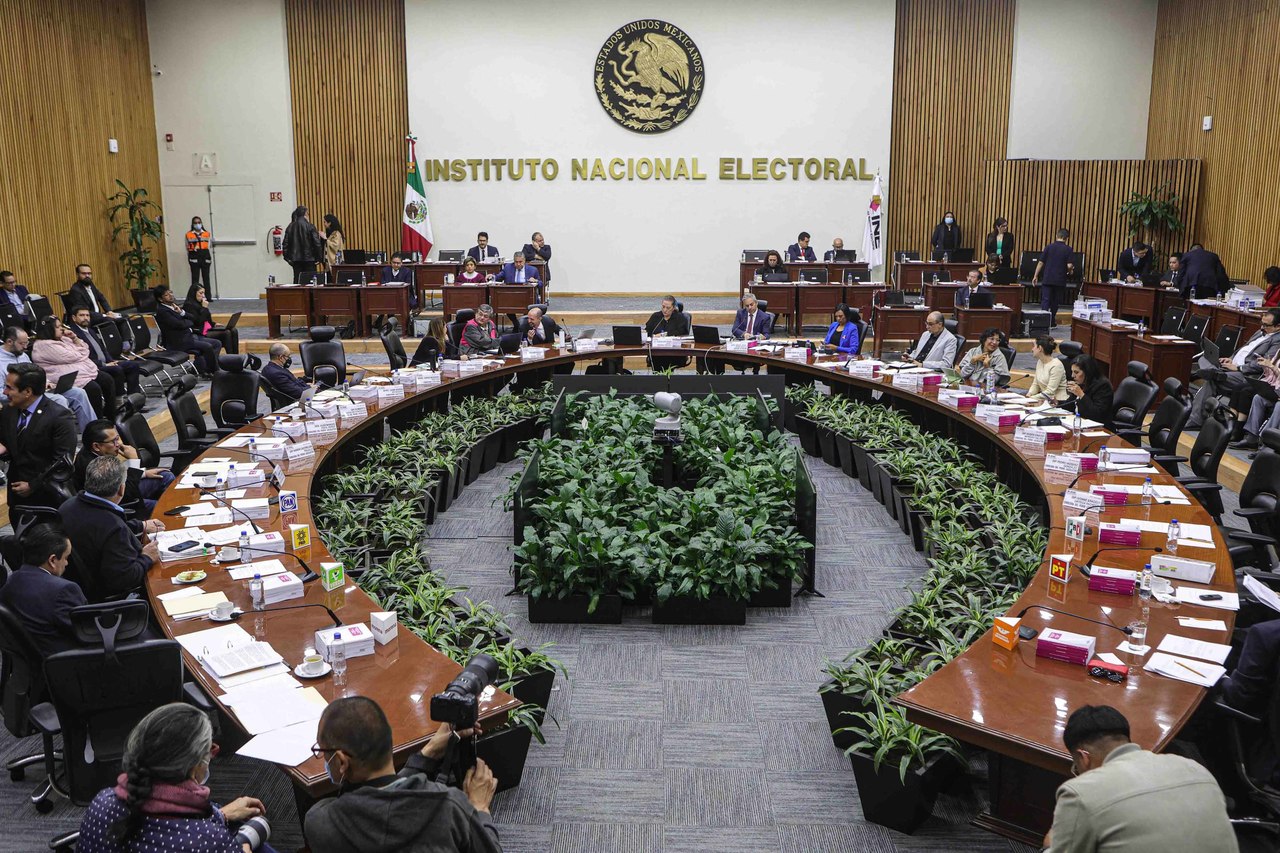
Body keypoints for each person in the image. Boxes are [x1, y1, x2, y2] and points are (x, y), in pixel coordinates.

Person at [304, 696, 500, 853]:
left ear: (341, 761)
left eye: (322, 752)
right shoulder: (449, 807)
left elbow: (382, 799)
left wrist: (428, 753)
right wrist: (479, 807)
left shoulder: (321, 822)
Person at [78, 702, 276, 853]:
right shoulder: (209, 841)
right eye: (210, 750)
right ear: (195, 765)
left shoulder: (102, 803)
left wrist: (220, 816)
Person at [1044, 705, 1236, 852]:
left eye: (1076, 768)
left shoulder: (1082, 793)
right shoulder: (1196, 769)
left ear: (1083, 758)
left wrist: (1050, 846)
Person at [60, 455, 160, 602]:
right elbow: (125, 579)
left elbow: (96, 530)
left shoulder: (67, 506)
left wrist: (141, 525)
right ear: (121, 489)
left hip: (77, 586)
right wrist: (147, 558)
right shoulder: (114, 527)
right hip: (106, 595)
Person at [1187, 308, 1280, 433]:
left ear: (1278, 326)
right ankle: (1214, 372)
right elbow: (1243, 349)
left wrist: (1238, 367)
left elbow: (1264, 363)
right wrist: (1230, 359)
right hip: (1231, 367)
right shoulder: (1260, 332)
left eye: (1266, 325)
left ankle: (1196, 419)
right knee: (1204, 358)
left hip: (1246, 374)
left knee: (1212, 381)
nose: (1262, 327)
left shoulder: (1277, 340)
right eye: (1261, 323)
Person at [0, 524, 86, 658]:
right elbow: (86, 631)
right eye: (65, 558)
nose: (67, 563)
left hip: (27, 662)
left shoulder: (9, 583)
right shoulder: (64, 590)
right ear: (52, 560)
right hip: (66, 661)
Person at [0, 363, 77, 510]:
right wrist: (4, 450)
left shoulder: (60, 417)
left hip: (48, 498)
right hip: (16, 496)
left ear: (27, 391)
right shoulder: (8, 412)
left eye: (10, 388)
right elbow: (12, 447)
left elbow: (62, 461)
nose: (5, 392)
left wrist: (33, 485)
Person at [74, 420, 174, 521]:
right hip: (118, 503)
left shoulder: (91, 451)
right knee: (164, 507)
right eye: (113, 441)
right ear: (96, 446)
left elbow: (118, 477)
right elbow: (126, 494)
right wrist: (133, 461)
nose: (118, 444)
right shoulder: (94, 466)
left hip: (124, 489)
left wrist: (143, 473)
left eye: (117, 438)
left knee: (165, 476)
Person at [0, 325, 95, 430]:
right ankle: (63, 436)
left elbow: (34, 374)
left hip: (37, 391)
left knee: (78, 393)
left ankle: (93, 433)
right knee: (59, 399)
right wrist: (23, 393)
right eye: (22, 343)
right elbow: (1, 393)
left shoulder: (22, 355)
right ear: (9, 342)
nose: (26, 347)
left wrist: (46, 382)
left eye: (27, 343)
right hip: (22, 397)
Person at [31, 315, 118, 417]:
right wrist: (81, 354)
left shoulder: (64, 339)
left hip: (84, 373)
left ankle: (111, 416)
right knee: (93, 389)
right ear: (49, 329)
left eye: (61, 326)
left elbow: (85, 348)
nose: (62, 329)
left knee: (107, 380)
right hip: (64, 379)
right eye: (58, 327)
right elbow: (73, 356)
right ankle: (98, 421)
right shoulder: (44, 345)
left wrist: (74, 338)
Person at [69, 305, 146, 395]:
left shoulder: (90, 330)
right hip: (93, 367)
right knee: (116, 370)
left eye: (87, 315)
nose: (85, 318)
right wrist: (104, 364)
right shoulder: (73, 335)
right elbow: (83, 358)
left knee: (133, 365)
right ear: (74, 318)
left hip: (107, 363)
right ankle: (119, 399)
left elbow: (103, 349)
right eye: (81, 315)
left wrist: (111, 360)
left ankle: (134, 396)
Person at [153, 284, 221, 376]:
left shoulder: (174, 307)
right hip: (179, 341)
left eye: (171, 292)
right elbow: (180, 324)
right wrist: (188, 322)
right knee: (207, 346)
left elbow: (192, 318)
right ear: (160, 299)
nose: (171, 295)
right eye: (166, 295)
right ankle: (215, 372)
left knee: (217, 343)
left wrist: (181, 312)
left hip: (188, 337)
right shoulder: (163, 311)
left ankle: (205, 369)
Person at [1032, 228, 1075, 321]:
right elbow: (1069, 265)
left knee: (1045, 300)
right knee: (1055, 301)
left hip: (1048, 278)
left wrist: (1035, 276)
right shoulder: (1068, 249)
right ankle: (1052, 321)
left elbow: (1040, 262)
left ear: (1056, 236)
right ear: (1067, 238)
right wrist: (1071, 270)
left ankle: (1043, 321)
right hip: (1060, 279)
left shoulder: (1048, 247)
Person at [182, 284, 238, 354]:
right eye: (200, 293)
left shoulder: (200, 303)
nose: (203, 296)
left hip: (207, 328)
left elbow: (207, 319)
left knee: (233, 330)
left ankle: (236, 356)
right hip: (199, 332)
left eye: (204, 293)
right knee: (227, 333)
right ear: (194, 293)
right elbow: (198, 322)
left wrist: (214, 324)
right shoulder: (189, 305)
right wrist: (204, 308)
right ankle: (231, 357)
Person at [1064, 354, 1114, 429]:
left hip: (1100, 429)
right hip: (1081, 425)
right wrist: (1056, 402)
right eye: (1072, 372)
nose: (1072, 376)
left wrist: (1081, 394)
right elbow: (1069, 406)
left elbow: (1097, 414)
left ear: (1087, 372)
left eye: (1076, 372)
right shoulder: (1082, 383)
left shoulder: (1103, 385)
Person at [282, 206, 324, 283]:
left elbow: (285, 244)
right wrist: (319, 258)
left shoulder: (290, 227)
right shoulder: (310, 226)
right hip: (310, 259)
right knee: (311, 281)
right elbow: (317, 243)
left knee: (298, 281)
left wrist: (287, 258)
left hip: (295, 259)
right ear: (305, 214)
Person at [1026, 336, 1068, 402]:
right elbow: (1036, 384)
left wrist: (1031, 398)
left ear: (1040, 348)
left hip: (1059, 402)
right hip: (1044, 400)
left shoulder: (1056, 365)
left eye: (1034, 346)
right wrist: (1029, 394)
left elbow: (1050, 392)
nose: (1032, 349)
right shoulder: (1040, 361)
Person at [186, 215, 212, 290]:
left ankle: (208, 295)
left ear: (201, 223)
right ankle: (194, 295)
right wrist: (192, 249)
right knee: (195, 279)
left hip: (205, 256)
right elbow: (187, 247)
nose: (197, 224)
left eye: (199, 222)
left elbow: (209, 245)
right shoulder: (189, 234)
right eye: (195, 223)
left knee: (206, 279)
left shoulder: (207, 233)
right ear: (192, 224)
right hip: (194, 257)